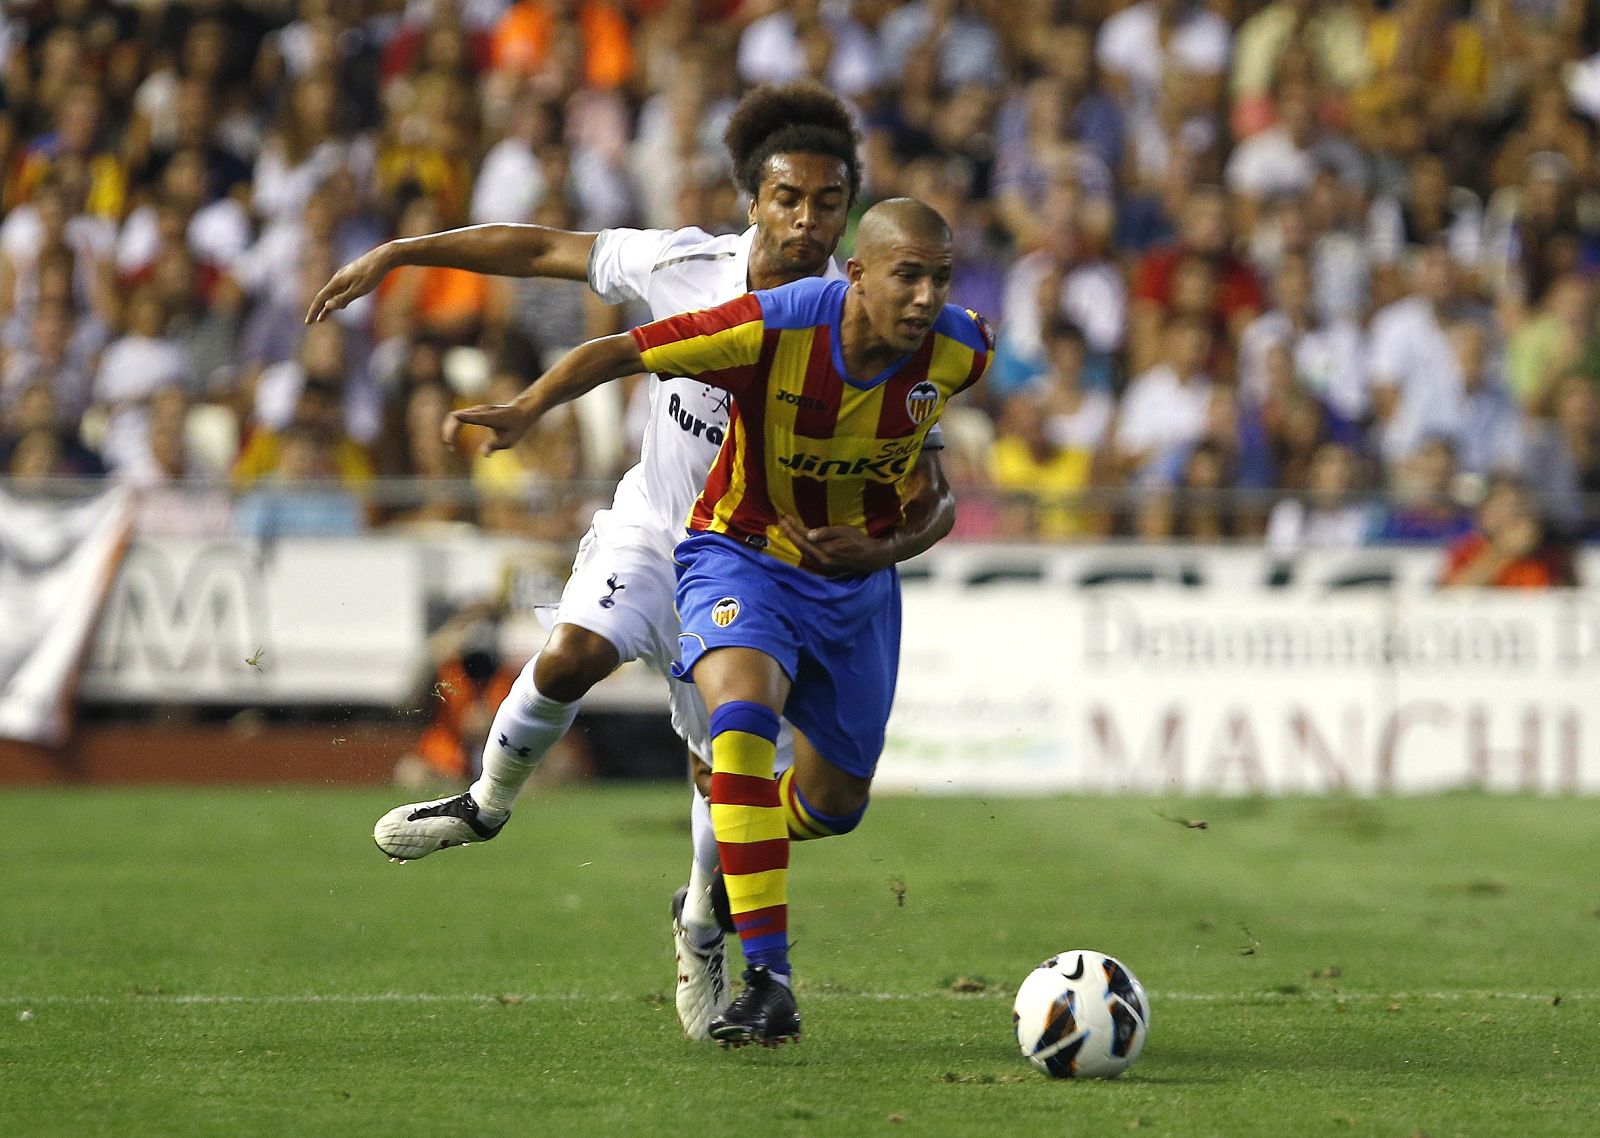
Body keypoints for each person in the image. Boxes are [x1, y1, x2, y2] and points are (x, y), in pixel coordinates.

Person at [304, 82, 956, 1042]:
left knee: (718, 777)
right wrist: (402, 252)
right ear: (754, 203)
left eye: (828, 203)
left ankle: (700, 923)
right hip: (662, 529)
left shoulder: (868, 321)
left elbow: (920, 441)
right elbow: (538, 252)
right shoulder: (684, 267)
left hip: (760, 558)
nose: (808, 220)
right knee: (570, 655)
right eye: (790, 199)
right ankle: (486, 804)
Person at [437, 196, 989, 1046]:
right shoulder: (773, 326)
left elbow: (939, 498)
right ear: (858, 276)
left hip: (854, 587)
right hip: (741, 553)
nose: (925, 297)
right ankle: (770, 981)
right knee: (738, 721)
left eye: (939, 279)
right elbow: (622, 348)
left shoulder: (960, 351)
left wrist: (882, 549)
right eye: (907, 276)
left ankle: (736, 843)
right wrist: (527, 408)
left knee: (836, 803)